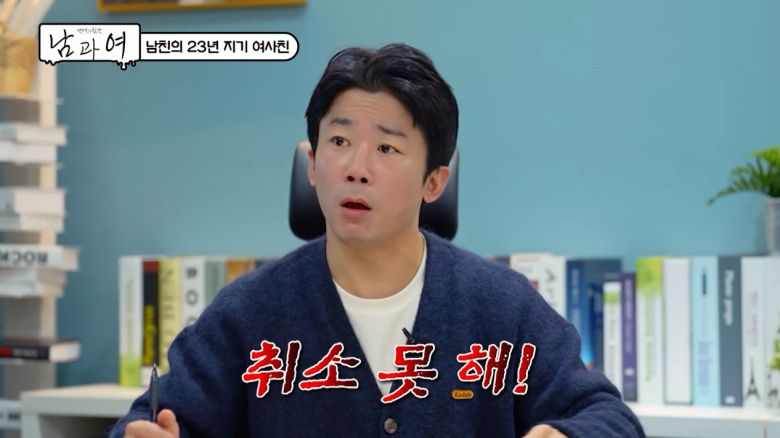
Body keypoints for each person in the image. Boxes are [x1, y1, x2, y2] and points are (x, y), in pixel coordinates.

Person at [111, 43, 645, 438]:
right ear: (312, 165)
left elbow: (610, 418)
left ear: (434, 181)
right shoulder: (248, 314)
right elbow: (151, 420)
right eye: (339, 141)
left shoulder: (502, 308)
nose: (356, 168)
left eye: (387, 149)